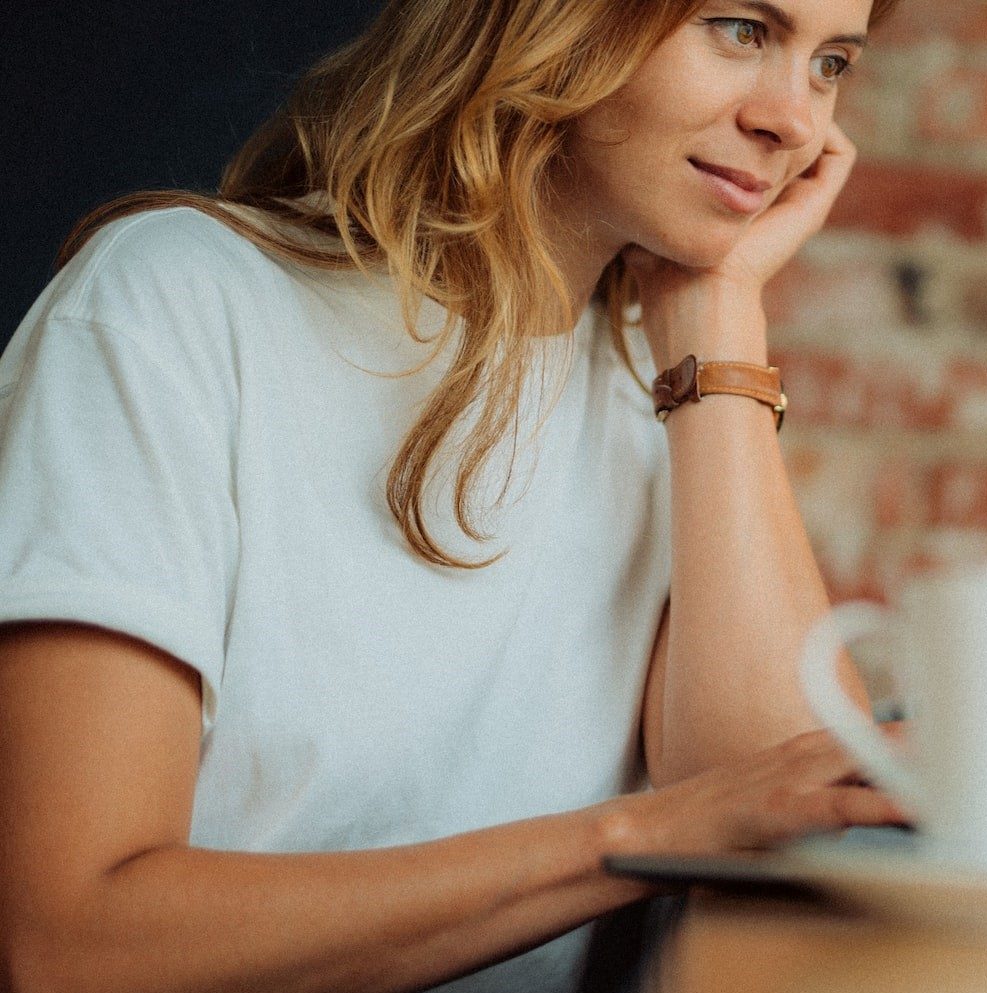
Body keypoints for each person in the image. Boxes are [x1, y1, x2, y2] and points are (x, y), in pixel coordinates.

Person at [0, 0, 907, 989]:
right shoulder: (177, 306)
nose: (798, 121)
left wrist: (720, 323)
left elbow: (789, 822)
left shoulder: (667, 409)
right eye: (740, 29)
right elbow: (72, 941)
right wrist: (641, 834)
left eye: (830, 65)